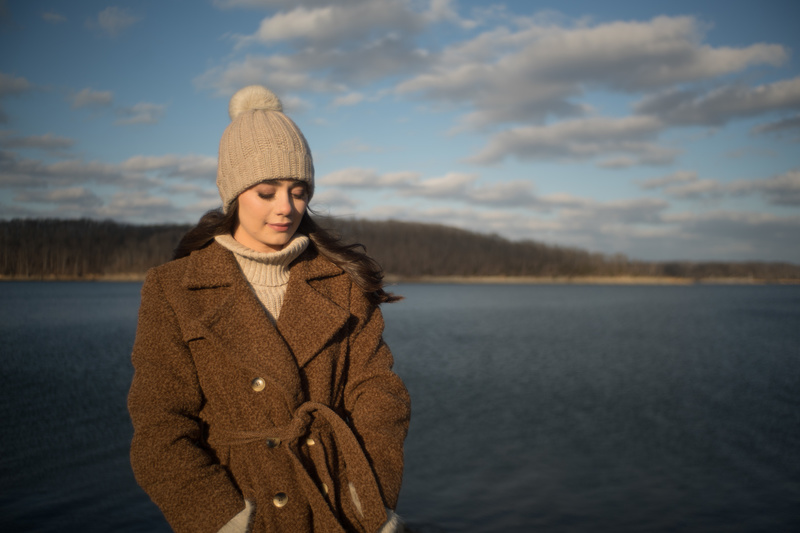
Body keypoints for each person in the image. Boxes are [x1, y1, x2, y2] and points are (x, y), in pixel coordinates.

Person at [128, 85, 411, 533]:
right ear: (233, 194)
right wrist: (221, 519)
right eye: (266, 191)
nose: (286, 208)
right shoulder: (174, 288)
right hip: (243, 508)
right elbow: (160, 423)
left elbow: (380, 395)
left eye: (299, 191)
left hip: (339, 503)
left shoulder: (341, 283)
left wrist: (368, 494)